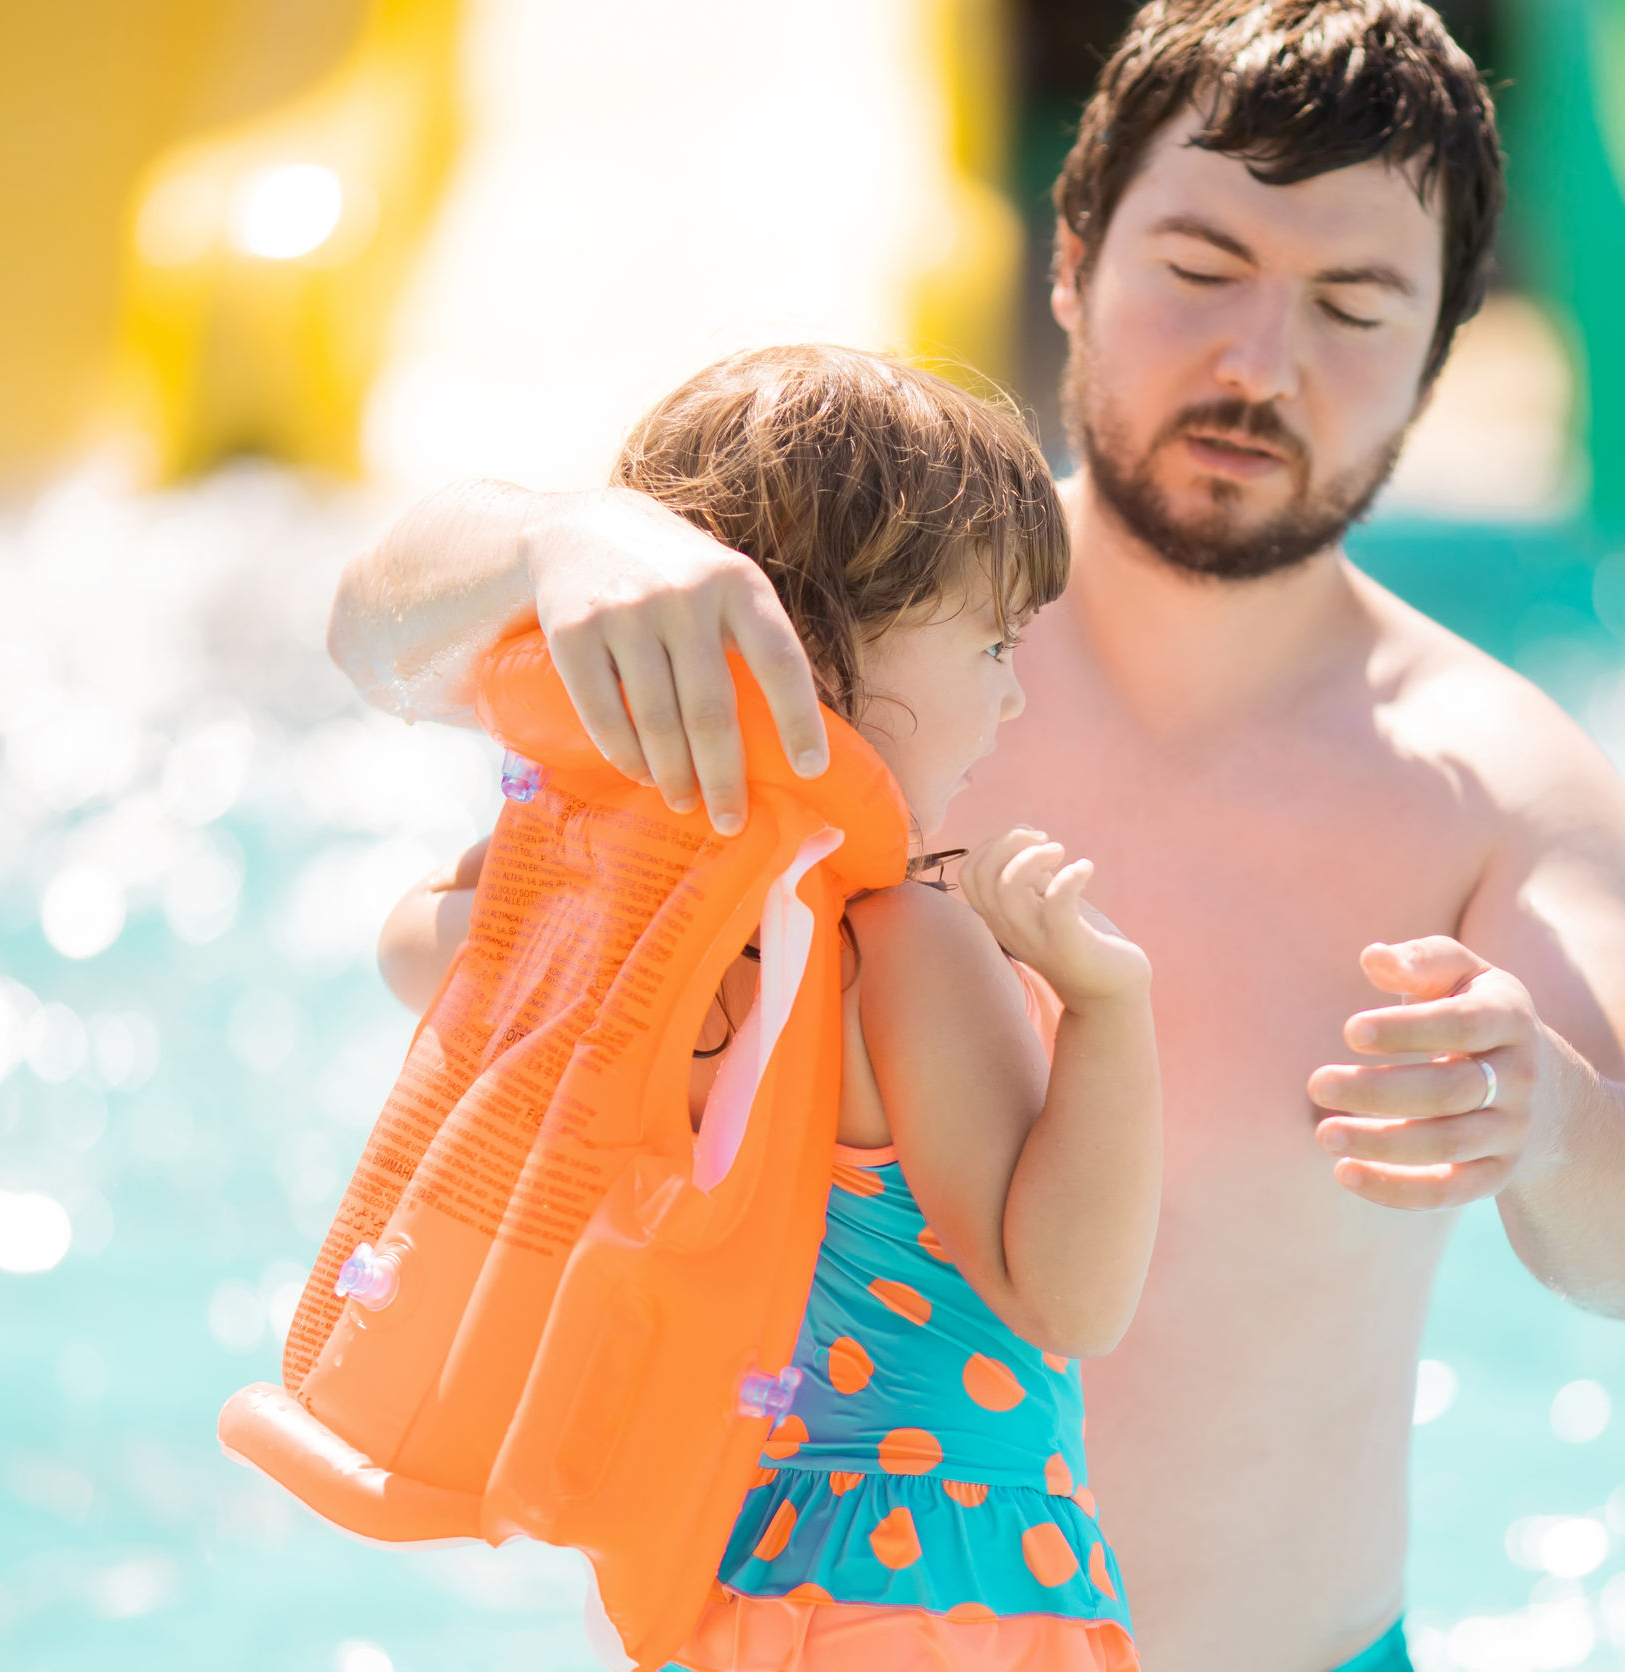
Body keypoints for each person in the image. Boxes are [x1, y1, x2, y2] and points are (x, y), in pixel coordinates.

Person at [345, 5, 1625, 1669]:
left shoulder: (1497, 784)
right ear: (1070, 261)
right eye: (1202, 267)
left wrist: (1553, 1117)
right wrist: (549, 542)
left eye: (1355, 305)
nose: (1258, 364)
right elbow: (377, 637)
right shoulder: (843, 661)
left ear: (1443, 349)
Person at [494, 343, 1162, 1669]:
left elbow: (430, 952)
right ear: (818, 659)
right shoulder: (901, 950)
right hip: (928, 1591)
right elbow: (1062, 1293)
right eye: (988, 642)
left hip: (709, 1576)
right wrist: (1107, 1010)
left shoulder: (618, 937)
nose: (1013, 692)